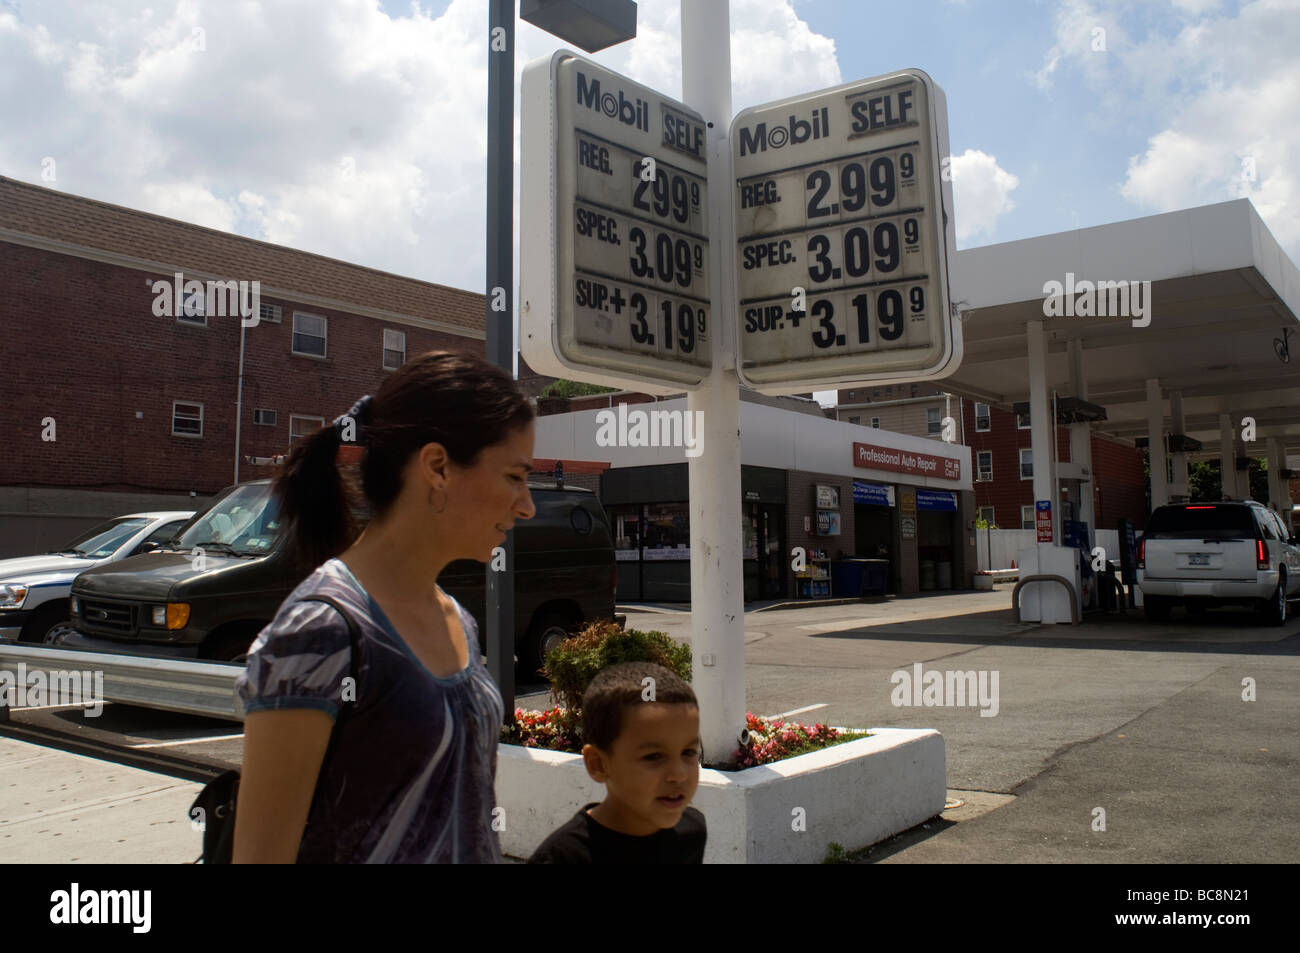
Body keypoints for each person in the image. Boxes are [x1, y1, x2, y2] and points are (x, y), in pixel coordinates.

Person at [232, 350, 536, 863]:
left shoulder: (458, 620)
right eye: (514, 476)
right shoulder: (323, 628)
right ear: (437, 467)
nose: (527, 504)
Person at [528, 662, 706, 864]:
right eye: (653, 756)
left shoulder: (692, 831)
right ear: (599, 765)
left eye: (689, 752)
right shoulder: (564, 857)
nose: (679, 774)